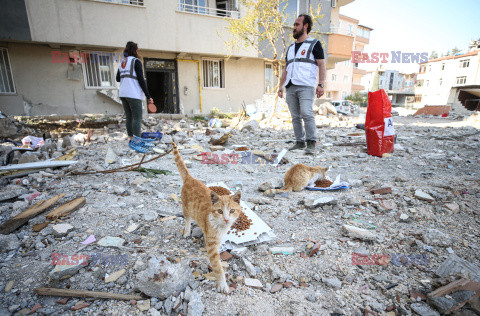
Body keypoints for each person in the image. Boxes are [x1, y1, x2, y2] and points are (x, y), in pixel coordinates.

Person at [278, 14, 326, 155]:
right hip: (290, 86)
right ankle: (299, 142)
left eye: (297, 24)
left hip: (306, 86)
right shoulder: (291, 48)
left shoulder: (314, 44)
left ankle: (311, 142)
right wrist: (280, 86)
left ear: (305, 26)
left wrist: (321, 84)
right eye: (294, 25)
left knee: (306, 113)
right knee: (295, 116)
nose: (294, 27)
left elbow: (322, 64)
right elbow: (286, 68)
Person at [116, 41, 153, 141]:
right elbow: (141, 80)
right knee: (137, 117)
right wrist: (148, 96)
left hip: (123, 93)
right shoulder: (136, 61)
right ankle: (137, 140)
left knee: (129, 117)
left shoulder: (122, 62)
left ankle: (131, 138)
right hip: (133, 94)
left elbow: (118, 79)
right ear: (136, 50)